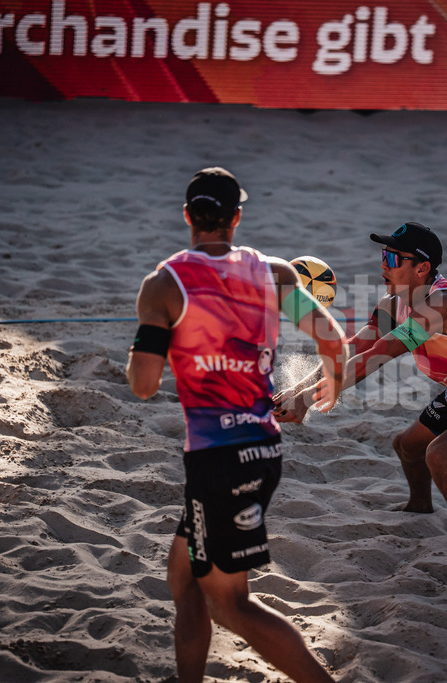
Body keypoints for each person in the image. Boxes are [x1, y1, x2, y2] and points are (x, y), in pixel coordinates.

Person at [127, 167, 346, 682]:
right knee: (183, 579)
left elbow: (142, 385)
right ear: (236, 218)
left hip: (217, 460)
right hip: (261, 449)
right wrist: (326, 387)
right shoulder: (275, 274)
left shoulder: (163, 285)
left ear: (187, 216)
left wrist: (155, 338)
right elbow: (333, 339)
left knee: (230, 605)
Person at [274, 222, 447, 587]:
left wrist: (308, 401)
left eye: (393, 257)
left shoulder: (445, 303)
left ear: (422, 268)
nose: (384, 265)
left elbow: (381, 353)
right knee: (407, 445)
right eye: (383, 256)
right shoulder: (394, 304)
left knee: (441, 455)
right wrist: (297, 389)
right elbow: (355, 349)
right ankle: (420, 505)